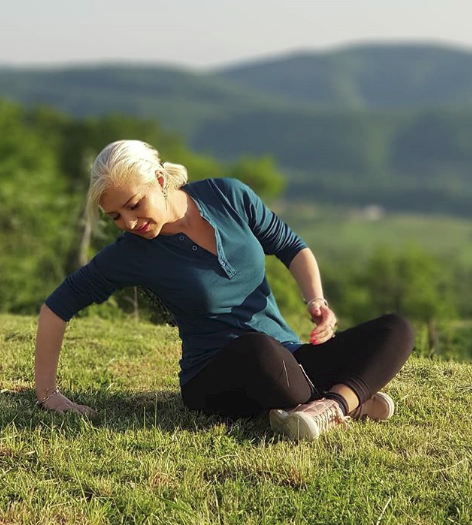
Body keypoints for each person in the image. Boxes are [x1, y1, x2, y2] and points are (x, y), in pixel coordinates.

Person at [34, 139, 414, 441]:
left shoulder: (228, 196)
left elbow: (290, 245)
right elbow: (57, 306)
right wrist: (48, 394)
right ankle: (349, 396)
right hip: (214, 377)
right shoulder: (130, 253)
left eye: (134, 205)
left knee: (395, 329)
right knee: (259, 350)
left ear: (161, 181)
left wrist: (316, 300)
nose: (129, 222)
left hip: (289, 357)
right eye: (116, 216)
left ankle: (333, 403)